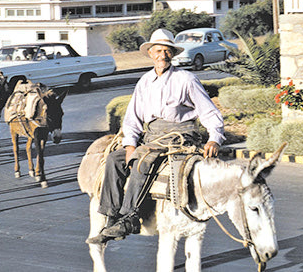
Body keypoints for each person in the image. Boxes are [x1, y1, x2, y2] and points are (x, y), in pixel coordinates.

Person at [87, 28, 225, 244]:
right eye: (158, 51)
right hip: (152, 135)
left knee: (143, 159)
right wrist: (130, 143)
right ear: (151, 53)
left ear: (173, 54)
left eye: (167, 51)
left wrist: (214, 137)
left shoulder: (186, 79)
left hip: (179, 134)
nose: (163, 55)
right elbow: (132, 117)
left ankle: (130, 217)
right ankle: (111, 216)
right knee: (115, 159)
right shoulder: (144, 82)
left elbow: (208, 111)